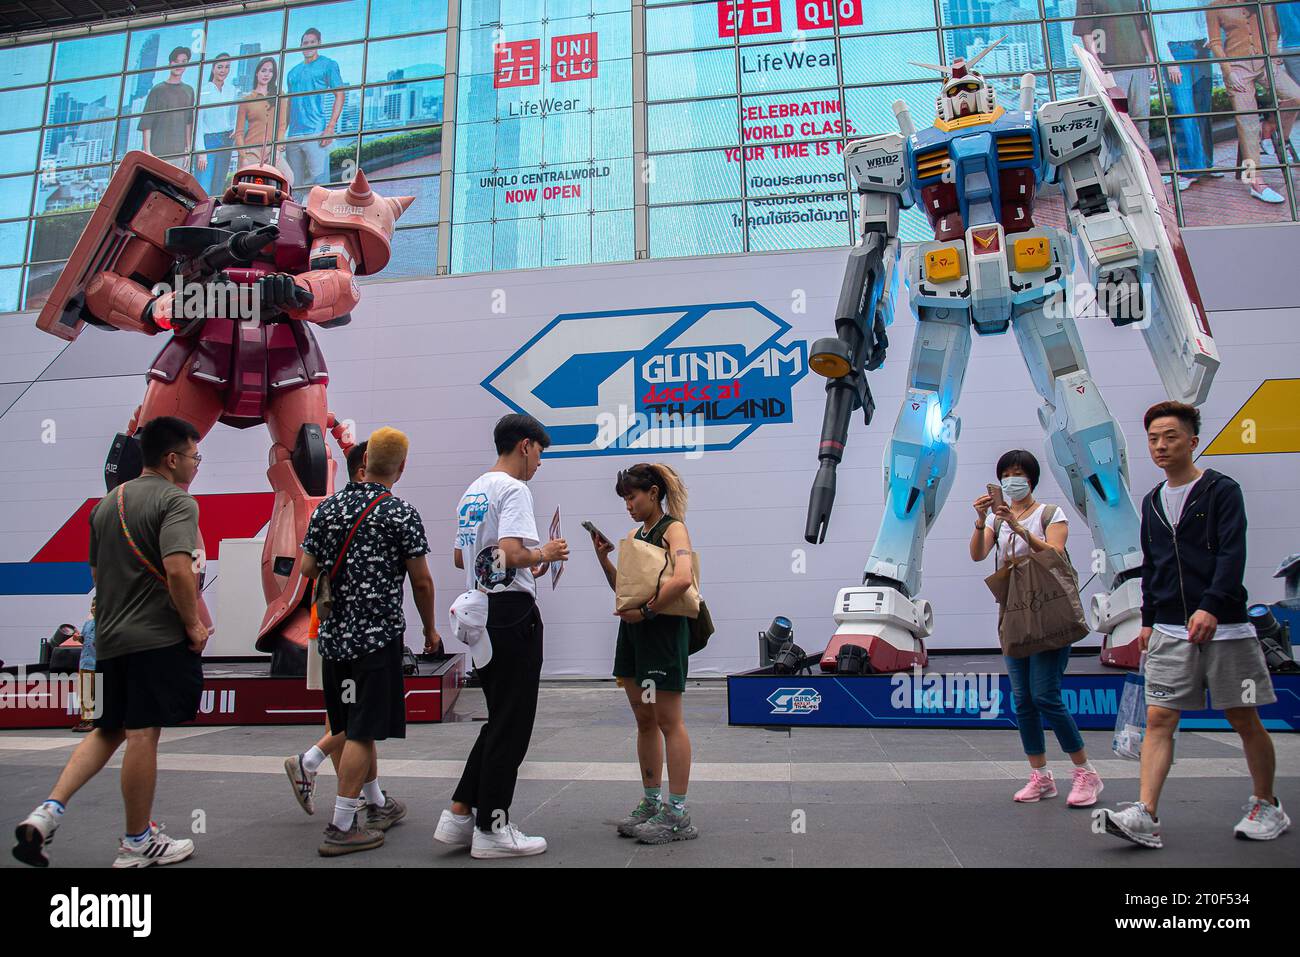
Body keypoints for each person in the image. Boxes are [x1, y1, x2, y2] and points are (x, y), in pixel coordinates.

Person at [12, 416, 208, 868]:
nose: (197, 466)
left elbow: (99, 577)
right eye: (195, 457)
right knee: (142, 734)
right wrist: (194, 626)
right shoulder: (177, 502)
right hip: (154, 640)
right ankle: (138, 841)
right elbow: (179, 569)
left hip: (110, 640)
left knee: (107, 730)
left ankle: (47, 813)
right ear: (172, 458)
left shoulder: (105, 506)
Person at [1101, 402, 1289, 848]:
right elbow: (1154, 566)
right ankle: (1145, 813)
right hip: (1168, 630)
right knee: (1159, 718)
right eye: (1152, 439)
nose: (1161, 446)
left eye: (1169, 436)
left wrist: (1210, 606)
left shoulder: (1222, 491)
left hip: (1226, 630)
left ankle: (1267, 804)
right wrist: (1147, 619)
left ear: (1192, 440)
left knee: (1244, 718)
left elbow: (1231, 555)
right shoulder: (1150, 502)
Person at [435, 414, 568, 859]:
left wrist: (529, 559)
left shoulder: (473, 490)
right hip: (511, 614)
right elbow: (510, 552)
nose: (538, 465)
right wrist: (542, 553)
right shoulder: (514, 489)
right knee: (513, 723)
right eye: (540, 454)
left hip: (482, 612)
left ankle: (459, 815)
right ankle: (493, 828)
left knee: (500, 717)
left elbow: (462, 557)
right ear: (526, 446)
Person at [300, 427, 438, 857]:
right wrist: (430, 630)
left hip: (334, 639)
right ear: (400, 467)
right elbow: (422, 581)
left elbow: (306, 566)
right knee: (362, 730)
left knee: (347, 723)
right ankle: (342, 824)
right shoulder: (399, 513)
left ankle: (377, 804)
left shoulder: (328, 509)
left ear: (365, 462)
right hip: (376, 639)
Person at [970, 450, 1103, 807]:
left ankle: (1085, 772)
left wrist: (1019, 529)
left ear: (1032, 478)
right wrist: (982, 520)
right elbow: (978, 555)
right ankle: (1041, 775)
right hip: (1014, 615)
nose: (1013, 480)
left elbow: (1055, 553)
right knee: (1023, 701)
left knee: (1046, 695)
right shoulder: (997, 521)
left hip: (1049, 614)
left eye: (1019, 473)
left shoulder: (1049, 514)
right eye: (1006, 474)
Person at [590, 463, 700, 844]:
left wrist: (649, 612)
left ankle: (678, 815)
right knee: (644, 720)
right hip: (635, 633)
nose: (628, 505)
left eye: (632, 496)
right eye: (624, 499)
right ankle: (652, 802)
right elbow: (625, 590)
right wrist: (604, 557)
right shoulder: (636, 535)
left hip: (663, 633)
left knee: (669, 720)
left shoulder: (673, 528)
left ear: (653, 493)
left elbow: (684, 577)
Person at [285, 440, 365, 814]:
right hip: (345, 632)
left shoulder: (327, 511)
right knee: (358, 715)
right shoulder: (360, 511)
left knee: (341, 713)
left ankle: (363, 792)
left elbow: (307, 568)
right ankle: (311, 762)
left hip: (325, 627)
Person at [1206, 0, 1300, 204]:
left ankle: (1268, 130)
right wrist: (1228, 71)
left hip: (1264, 63)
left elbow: (1272, 34)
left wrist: (1273, 59)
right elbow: (1214, 42)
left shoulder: (1261, 2)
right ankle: (1255, 182)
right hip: (1237, 69)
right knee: (1247, 123)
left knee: (1296, 96)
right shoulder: (1216, 5)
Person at [1073, 0, 1156, 143]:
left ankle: (1145, 164)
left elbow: (1143, 25)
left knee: (1142, 120)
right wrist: (1098, 63)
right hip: (1112, 68)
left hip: (1139, 64)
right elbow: (1086, 31)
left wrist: (1151, 58)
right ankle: (1122, 163)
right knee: (1116, 123)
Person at [1156, 8, 1220, 191]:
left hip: (1201, 49)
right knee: (1185, 112)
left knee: (1203, 110)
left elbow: (1203, 14)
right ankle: (1188, 171)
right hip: (1176, 51)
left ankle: (1207, 164)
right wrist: (1169, 61)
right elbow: (1156, 29)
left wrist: (1208, 37)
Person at [278, 28, 345, 187]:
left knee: (320, 184)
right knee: (294, 186)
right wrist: (282, 134)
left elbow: (340, 94)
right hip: (293, 136)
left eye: (312, 42)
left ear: (319, 44)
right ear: (301, 45)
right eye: (305, 42)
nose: (308, 46)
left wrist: (330, 127)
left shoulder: (328, 65)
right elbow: (288, 106)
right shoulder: (292, 72)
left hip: (316, 133)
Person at [137, 46, 196, 168]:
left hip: (179, 153)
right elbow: (146, 123)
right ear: (170, 63)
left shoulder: (189, 91)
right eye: (176, 61)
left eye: (183, 62)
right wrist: (148, 152)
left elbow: (188, 122)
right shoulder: (157, 90)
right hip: (158, 153)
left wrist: (187, 149)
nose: (179, 65)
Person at [194, 53, 239, 196]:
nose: (223, 70)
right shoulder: (204, 91)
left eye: (227, 67)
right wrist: (201, 152)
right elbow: (198, 123)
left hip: (226, 140)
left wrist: (235, 128)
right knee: (204, 185)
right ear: (213, 69)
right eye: (220, 67)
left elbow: (235, 113)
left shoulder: (232, 90)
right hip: (209, 142)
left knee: (219, 184)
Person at [232, 57, 282, 171]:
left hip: (271, 149)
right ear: (257, 73)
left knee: (289, 176)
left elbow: (282, 125)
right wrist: (243, 156)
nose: (266, 74)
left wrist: (277, 150)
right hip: (251, 150)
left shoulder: (279, 96)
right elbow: (239, 133)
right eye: (263, 70)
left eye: (270, 71)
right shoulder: (246, 99)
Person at [72, 597, 96, 734]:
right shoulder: (88, 623)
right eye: (92, 605)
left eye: (97, 605)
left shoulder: (107, 623)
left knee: (97, 693)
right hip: (85, 663)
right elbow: (84, 639)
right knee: (85, 694)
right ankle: (87, 720)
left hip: (98, 663)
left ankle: (96, 720)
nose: (94, 608)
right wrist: (77, 638)